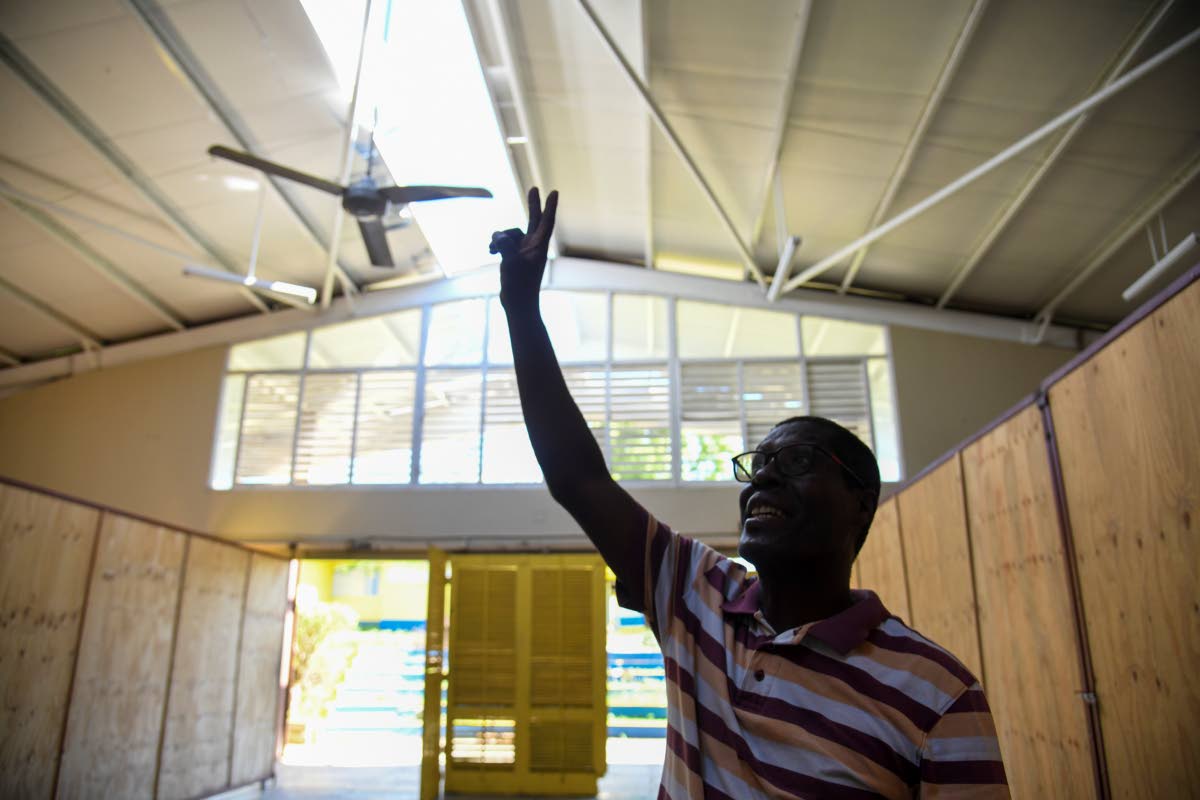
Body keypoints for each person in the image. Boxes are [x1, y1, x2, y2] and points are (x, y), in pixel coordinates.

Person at [490, 189, 1008, 799]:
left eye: (795, 460)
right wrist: (521, 312)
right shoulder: (694, 594)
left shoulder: (939, 694)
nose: (763, 477)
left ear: (860, 503)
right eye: (757, 464)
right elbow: (580, 479)